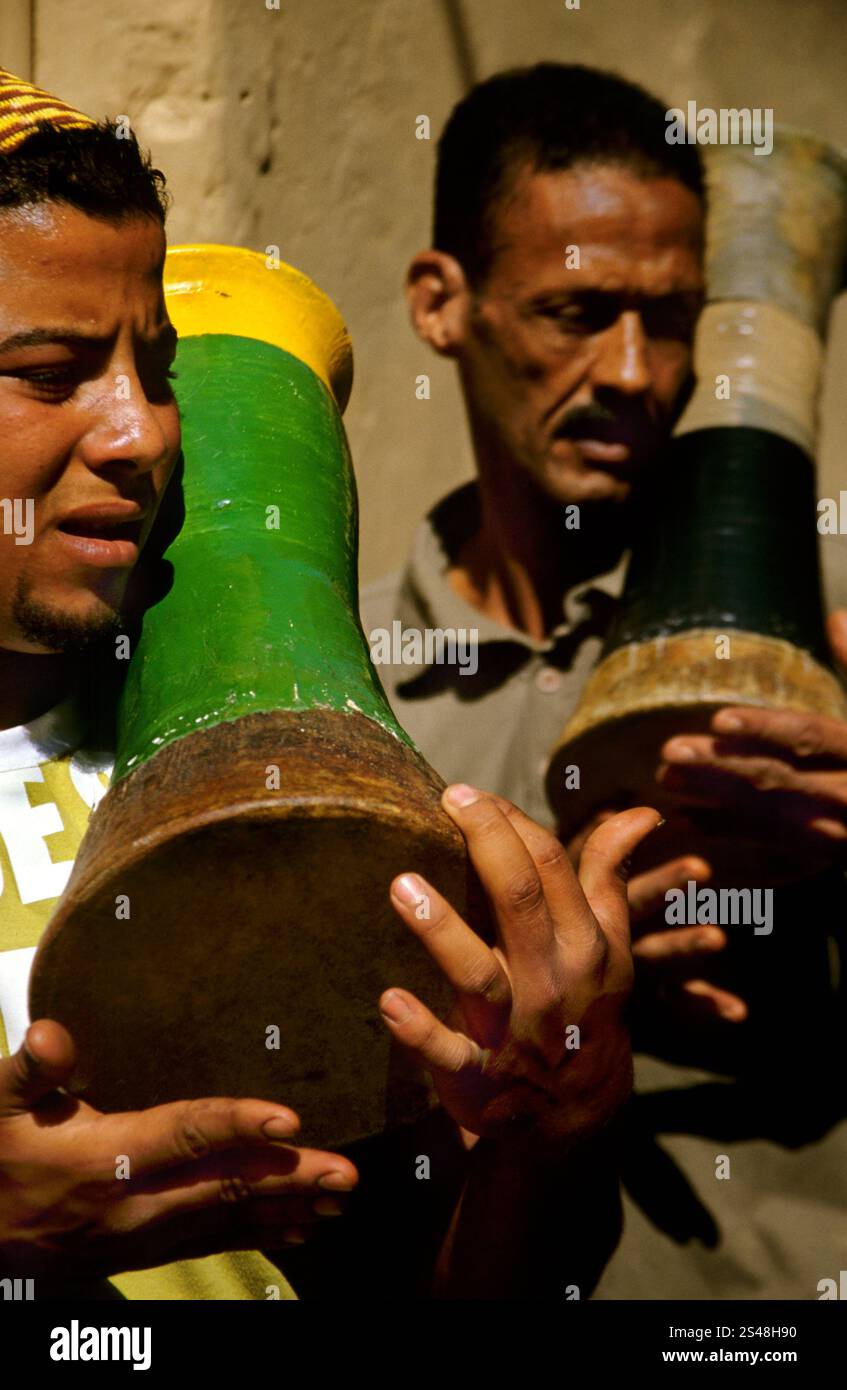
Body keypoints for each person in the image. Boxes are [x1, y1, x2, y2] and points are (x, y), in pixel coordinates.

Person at [0, 67, 652, 1302]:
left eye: (158, 366)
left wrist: (547, 1126)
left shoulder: (229, 777)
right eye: (48, 372)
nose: (142, 433)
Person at [361, 62, 847, 1299]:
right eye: (577, 312)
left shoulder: (804, 656)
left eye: (671, 316)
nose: (634, 372)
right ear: (441, 303)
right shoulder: (348, 686)